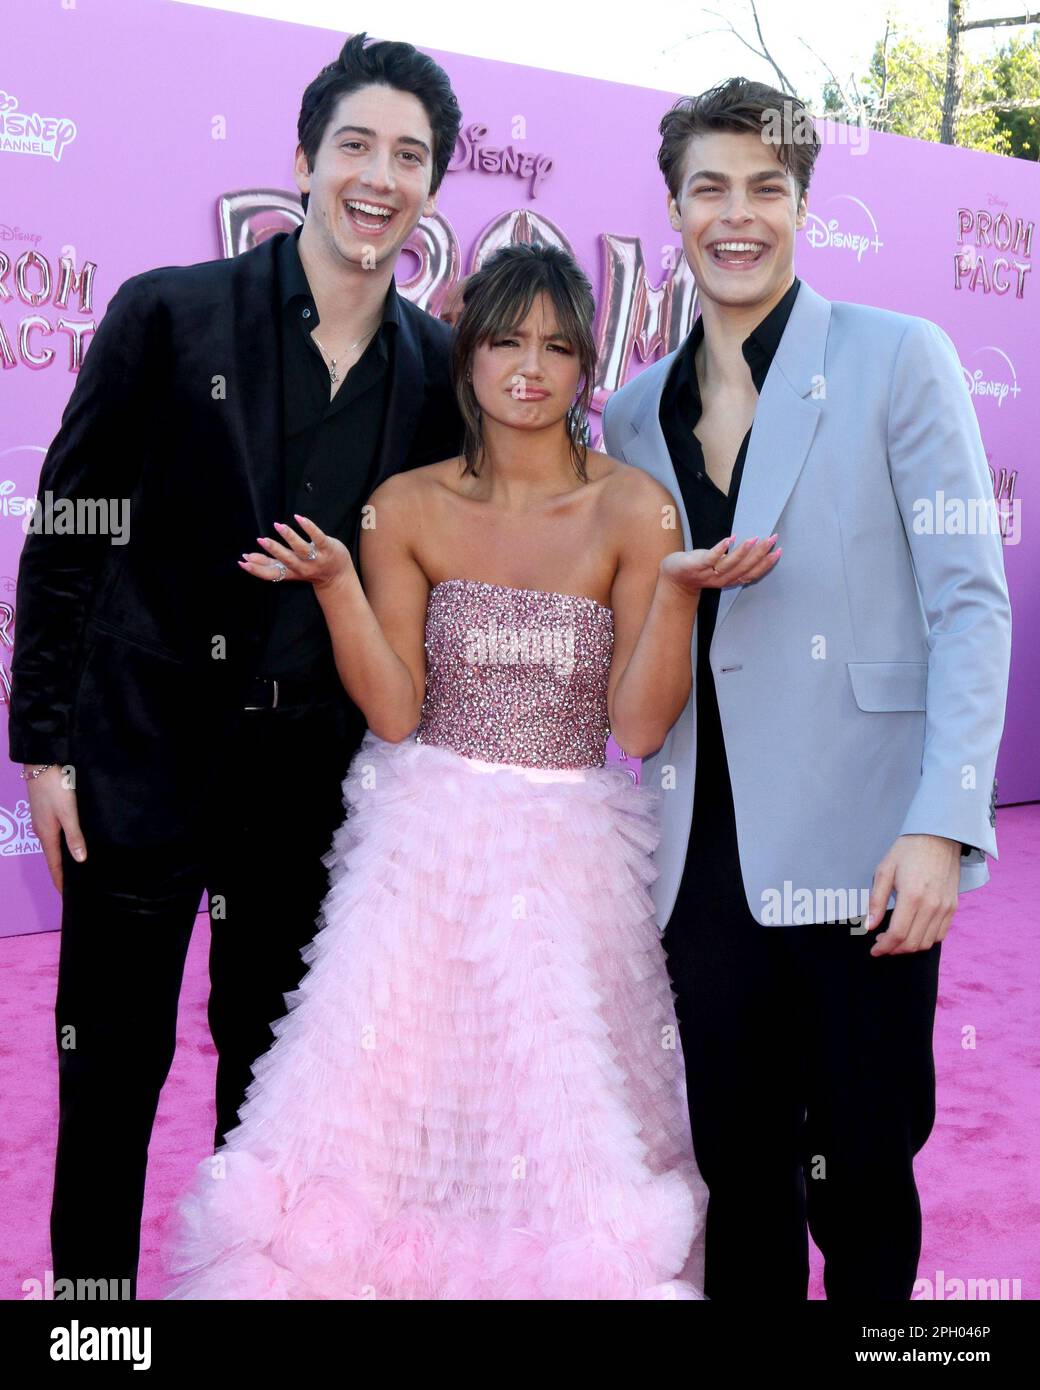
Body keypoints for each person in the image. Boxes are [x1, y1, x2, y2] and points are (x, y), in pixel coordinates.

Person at [160, 240, 780, 1300]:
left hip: (570, 852)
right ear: (467, 358)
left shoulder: (634, 508)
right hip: (421, 848)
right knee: (384, 1094)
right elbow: (396, 711)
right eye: (504, 341)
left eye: (555, 345)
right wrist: (338, 586)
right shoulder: (404, 506)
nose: (529, 367)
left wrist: (675, 596)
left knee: (555, 1104)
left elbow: (633, 730)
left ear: (587, 364)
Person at [7, 32, 465, 1300]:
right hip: (141, 757)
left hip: (311, 788)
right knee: (109, 1073)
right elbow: (70, 530)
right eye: (357, 146)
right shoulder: (170, 311)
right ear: (306, 158)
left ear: (433, 187)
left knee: (271, 1090)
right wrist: (43, 744)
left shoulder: (434, 370)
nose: (379, 177)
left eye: (410, 156)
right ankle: (93, 1328)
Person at [602, 77, 1012, 1300]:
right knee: (735, 1176)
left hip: (864, 844)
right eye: (709, 190)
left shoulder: (896, 358)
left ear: (802, 205)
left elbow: (966, 605)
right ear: (672, 208)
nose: (737, 216)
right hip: (696, 855)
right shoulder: (631, 413)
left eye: (765, 189)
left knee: (861, 1176)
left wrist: (940, 823)